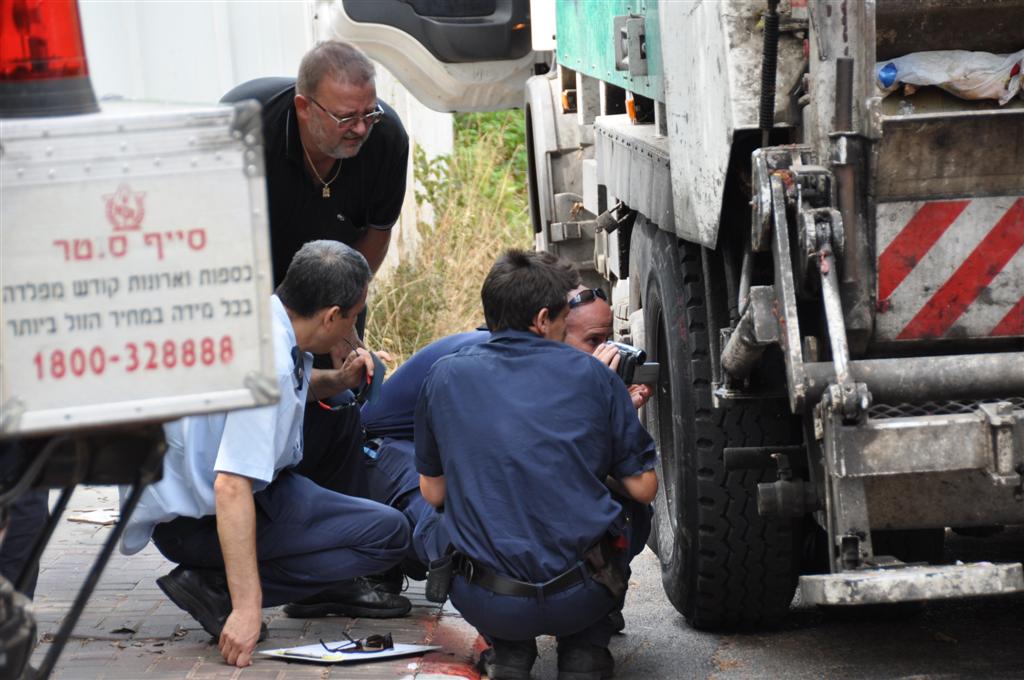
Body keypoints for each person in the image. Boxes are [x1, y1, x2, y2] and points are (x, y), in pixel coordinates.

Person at [120, 241, 410, 668]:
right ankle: (216, 587)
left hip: (213, 503)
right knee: (387, 537)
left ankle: (218, 583)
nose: (352, 328)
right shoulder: (269, 362)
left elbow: (288, 395)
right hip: (198, 522)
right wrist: (247, 607)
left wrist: (339, 379)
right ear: (332, 316)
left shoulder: (262, 322)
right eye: (352, 317)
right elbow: (232, 485)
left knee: (382, 524)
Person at [221, 40, 415, 618]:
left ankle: (322, 560)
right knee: (257, 423)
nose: (361, 128)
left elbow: (376, 230)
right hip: (253, 292)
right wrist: (270, 332)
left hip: (331, 291)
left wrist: (345, 308)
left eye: (368, 112)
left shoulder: (386, 139)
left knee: (336, 405)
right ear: (304, 109)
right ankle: (244, 558)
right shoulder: (245, 129)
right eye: (345, 117)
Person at [415, 250, 658, 680]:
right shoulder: (596, 377)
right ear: (544, 318)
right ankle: (585, 647)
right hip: (582, 594)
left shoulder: (443, 376)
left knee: (429, 522)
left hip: (487, 596)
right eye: (566, 317)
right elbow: (643, 488)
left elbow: (434, 493)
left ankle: (508, 649)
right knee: (635, 511)